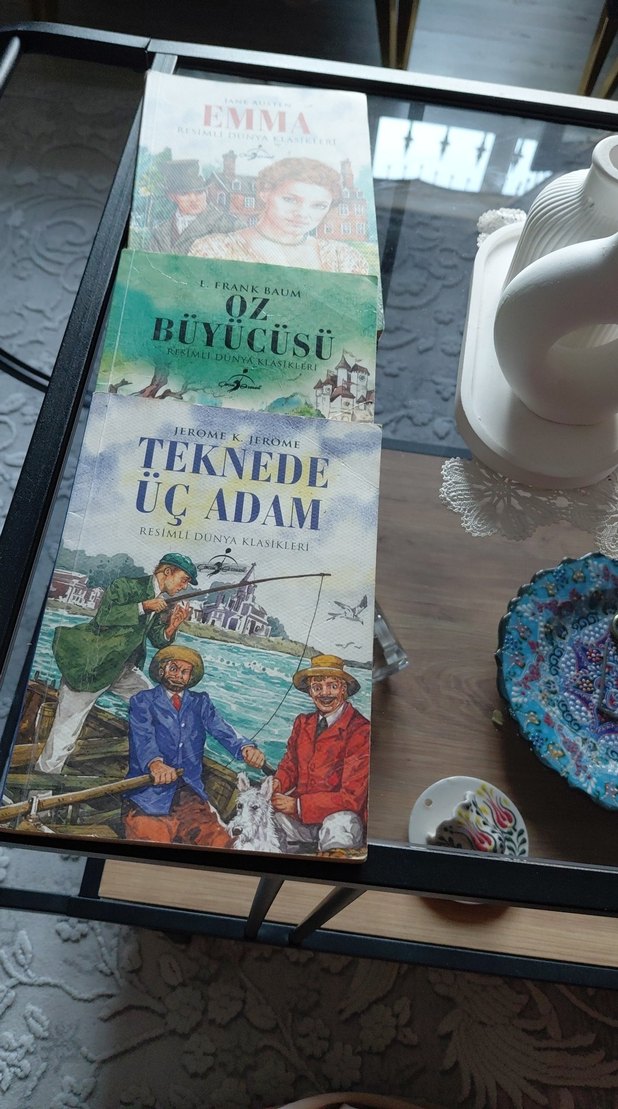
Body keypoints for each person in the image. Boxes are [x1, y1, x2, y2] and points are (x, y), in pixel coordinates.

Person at [36, 553, 197, 775]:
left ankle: (152, 763)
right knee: (65, 732)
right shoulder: (125, 586)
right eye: (184, 579)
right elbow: (104, 616)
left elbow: (157, 640)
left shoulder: (161, 601)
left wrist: (173, 625)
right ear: (168, 572)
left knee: (159, 706)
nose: (184, 586)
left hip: (123, 669)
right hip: (92, 667)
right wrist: (143, 606)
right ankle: (41, 787)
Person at [123, 645, 265, 847]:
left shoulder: (201, 702)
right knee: (152, 846)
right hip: (148, 798)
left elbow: (221, 728)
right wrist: (155, 763)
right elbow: (143, 736)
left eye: (184, 672)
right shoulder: (142, 701)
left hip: (190, 796)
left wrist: (245, 748)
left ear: (190, 677)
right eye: (173, 669)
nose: (178, 676)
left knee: (223, 844)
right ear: (162, 670)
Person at [188, 157, 369, 274]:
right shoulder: (213, 250)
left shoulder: (343, 258)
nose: (302, 214)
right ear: (265, 193)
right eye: (290, 200)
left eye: (319, 206)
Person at [270, 653, 369, 853]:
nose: (325, 693)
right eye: (317, 687)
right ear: (310, 691)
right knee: (265, 819)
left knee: (338, 826)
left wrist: (298, 806)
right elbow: (290, 765)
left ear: (344, 690)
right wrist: (277, 783)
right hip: (302, 822)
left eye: (332, 686)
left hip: (340, 821)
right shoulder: (303, 723)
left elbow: (352, 798)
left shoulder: (361, 730)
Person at [143, 159, 238, 253]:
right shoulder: (160, 233)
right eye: (184, 194)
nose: (193, 199)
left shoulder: (229, 224)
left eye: (199, 192)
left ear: (206, 192)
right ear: (172, 196)